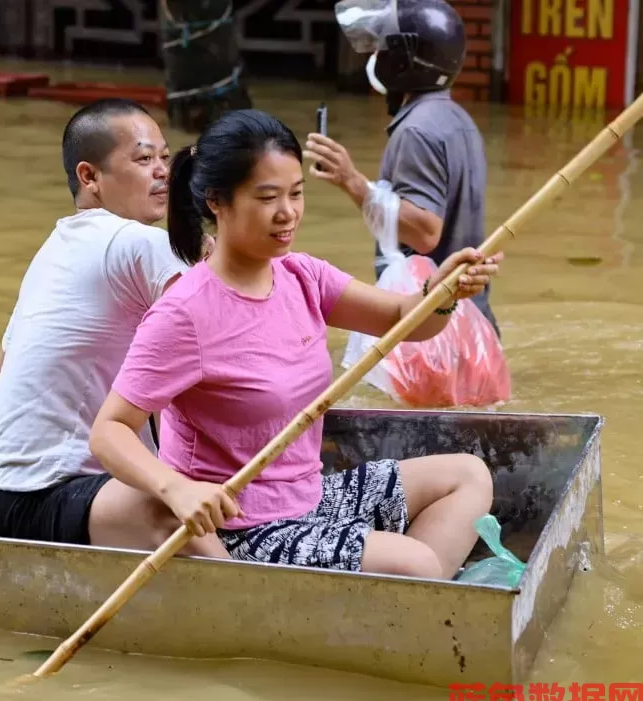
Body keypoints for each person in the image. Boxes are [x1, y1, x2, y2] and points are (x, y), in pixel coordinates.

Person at [88, 109, 503, 579]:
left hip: (311, 496)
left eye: (296, 194)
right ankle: (411, 588)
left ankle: (404, 598)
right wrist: (174, 489)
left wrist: (442, 294)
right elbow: (110, 431)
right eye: (268, 198)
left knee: (469, 476)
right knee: (416, 563)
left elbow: (404, 320)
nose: (288, 213)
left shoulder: (302, 275)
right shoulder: (184, 312)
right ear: (217, 202)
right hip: (242, 527)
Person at [0, 98, 229, 560]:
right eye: (142, 159)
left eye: (164, 157)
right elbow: (217, 350)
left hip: (12, 497)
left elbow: (2, 371)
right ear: (89, 177)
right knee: (177, 512)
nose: (162, 172)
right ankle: (253, 606)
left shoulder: (52, 249)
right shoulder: (139, 241)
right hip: (58, 493)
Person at [305, 0, 498, 336]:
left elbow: (424, 233)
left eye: (383, 47)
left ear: (403, 59)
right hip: (471, 325)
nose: (376, 56)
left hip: (433, 329)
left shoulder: (415, 131)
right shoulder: (459, 120)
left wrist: (352, 181)